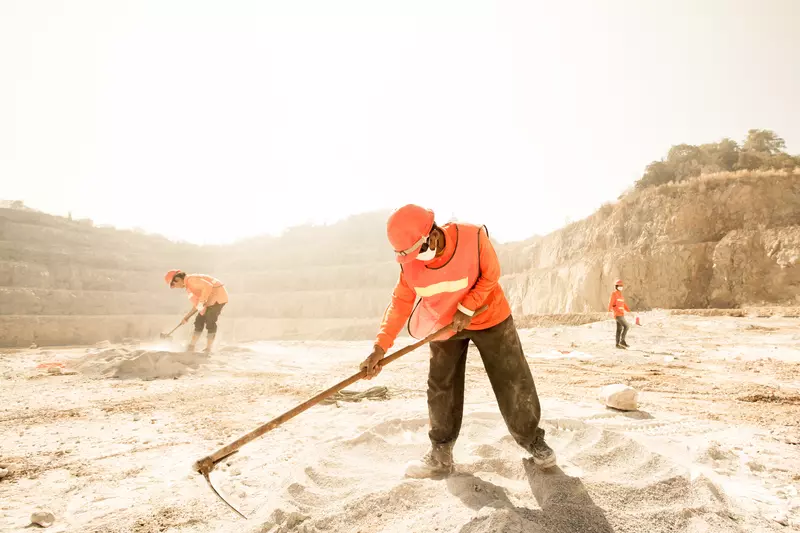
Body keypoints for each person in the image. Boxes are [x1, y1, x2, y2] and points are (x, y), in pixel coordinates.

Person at [359, 204, 556, 478]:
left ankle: (533, 440)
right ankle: (440, 452)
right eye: (410, 256)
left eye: (419, 251)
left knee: (513, 378)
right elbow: (400, 304)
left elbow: (491, 274)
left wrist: (467, 307)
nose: (417, 259)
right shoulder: (410, 267)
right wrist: (380, 347)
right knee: (441, 386)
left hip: (491, 318)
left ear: (433, 233)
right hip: (444, 327)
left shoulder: (473, 237)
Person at [165, 270, 229, 353]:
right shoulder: (189, 287)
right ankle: (191, 346)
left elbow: (208, 286)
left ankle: (208, 348)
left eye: (173, 284)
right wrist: (186, 317)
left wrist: (201, 302)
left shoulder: (191, 280)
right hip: (209, 301)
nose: (174, 287)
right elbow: (197, 305)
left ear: (177, 278)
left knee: (210, 321)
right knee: (199, 321)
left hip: (217, 298)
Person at [609, 279, 631, 349]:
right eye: (619, 285)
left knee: (619, 330)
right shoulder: (614, 294)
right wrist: (609, 311)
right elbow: (611, 303)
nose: (621, 287)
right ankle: (622, 341)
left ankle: (617, 344)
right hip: (617, 315)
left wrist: (629, 311)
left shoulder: (621, 296)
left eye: (622, 286)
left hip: (621, 314)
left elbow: (623, 304)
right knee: (627, 326)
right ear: (616, 286)